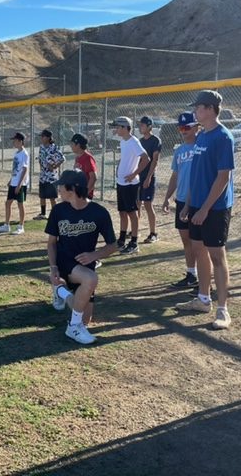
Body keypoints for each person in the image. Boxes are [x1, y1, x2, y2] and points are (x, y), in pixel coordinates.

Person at [176, 90, 235, 330]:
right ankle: (203, 299)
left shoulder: (223, 137)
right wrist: (189, 204)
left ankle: (223, 310)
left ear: (210, 109)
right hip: (197, 205)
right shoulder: (201, 136)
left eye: (198, 108)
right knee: (199, 250)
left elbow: (223, 178)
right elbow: (197, 174)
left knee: (217, 256)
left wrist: (205, 209)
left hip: (215, 207)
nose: (195, 112)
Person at [46, 170, 118, 344]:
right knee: (91, 279)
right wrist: (53, 267)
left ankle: (61, 291)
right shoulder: (58, 210)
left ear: (72, 189)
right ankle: (73, 327)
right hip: (64, 262)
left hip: (85, 265)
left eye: (61, 186)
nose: (59, 190)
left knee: (86, 319)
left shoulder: (99, 212)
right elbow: (51, 243)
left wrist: (94, 255)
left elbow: (113, 246)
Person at [162, 112, 200, 288]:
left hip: (198, 201)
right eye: (181, 128)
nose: (184, 131)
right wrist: (167, 197)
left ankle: (204, 278)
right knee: (186, 240)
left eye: (187, 127)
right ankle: (191, 274)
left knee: (199, 242)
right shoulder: (179, 150)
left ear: (196, 127)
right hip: (181, 199)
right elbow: (175, 176)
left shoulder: (201, 147)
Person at [110, 116, 150, 255]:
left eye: (117, 127)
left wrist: (134, 174)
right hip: (121, 182)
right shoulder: (123, 141)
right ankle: (121, 240)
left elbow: (146, 159)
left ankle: (134, 242)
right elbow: (126, 158)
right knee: (122, 212)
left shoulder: (134, 141)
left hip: (130, 184)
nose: (116, 129)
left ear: (125, 127)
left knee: (132, 213)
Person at [0, 132, 29, 235]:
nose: (13, 142)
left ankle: (21, 226)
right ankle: (6, 225)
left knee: (20, 204)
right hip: (14, 182)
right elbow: (16, 169)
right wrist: (11, 180)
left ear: (20, 141)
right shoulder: (17, 153)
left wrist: (19, 184)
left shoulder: (24, 154)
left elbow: (25, 170)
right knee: (8, 203)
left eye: (15, 140)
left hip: (20, 184)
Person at [138, 116, 162, 243]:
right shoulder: (140, 141)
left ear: (149, 127)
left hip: (148, 177)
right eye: (140, 125)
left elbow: (155, 160)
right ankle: (135, 230)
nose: (140, 127)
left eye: (142, 125)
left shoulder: (155, 140)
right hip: (139, 177)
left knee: (147, 205)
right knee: (137, 203)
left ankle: (153, 233)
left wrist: (148, 178)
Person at [34, 129, 65, 220]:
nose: (41, 138)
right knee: (42, 196)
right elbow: (40, 158)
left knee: (52, 197)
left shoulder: (54, 147)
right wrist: (41, 167)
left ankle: (55, 214)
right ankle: (43, 214)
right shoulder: (41, 147)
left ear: (48, 138)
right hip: (43, 176)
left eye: (43, 136)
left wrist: (55, 166)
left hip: (51, 177)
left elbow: (62, 158)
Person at [70, 133, 97, 199]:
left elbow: (93, 178)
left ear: (78, 145)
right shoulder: (77, 157)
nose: (71, 146)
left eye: (72, 144)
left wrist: (84, 193)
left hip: (84, 196)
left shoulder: (88, 158)